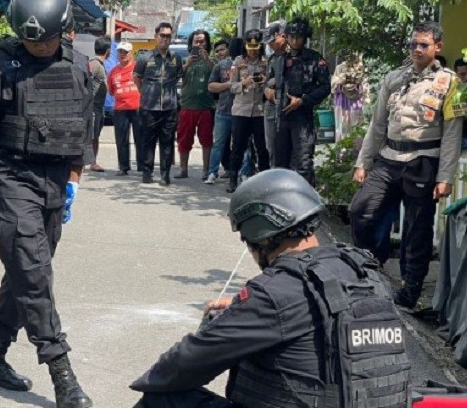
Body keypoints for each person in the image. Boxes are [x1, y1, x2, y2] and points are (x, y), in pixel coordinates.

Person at [131, 168, 411, 408]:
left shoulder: (274, 292)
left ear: (258, 233)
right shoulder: (364, 273)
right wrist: (246, 310)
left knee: (162, 399)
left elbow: (184, 365)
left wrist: (235, 316)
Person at [0, 0, 93, 408]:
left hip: (55, 179)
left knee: (25, 269)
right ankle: (61, 371)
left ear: (65, 29)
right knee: (34, 272)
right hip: (10, 176)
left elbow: (86, 125)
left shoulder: (82, 68)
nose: (39, 47)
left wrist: (73, 179)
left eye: (48, 39)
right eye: (31, 40)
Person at [351, 21, 464, 309]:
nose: (416, 49)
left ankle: (410, 290)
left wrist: (445, 177)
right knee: (361, 211)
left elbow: (452, 134)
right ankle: (369, 272)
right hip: (388, 159)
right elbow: (377, 124)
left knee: (417, 231)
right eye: (413, 43)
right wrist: (363, 162)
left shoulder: (451, 83)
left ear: (437, 47)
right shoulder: (394, 77)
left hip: (423, 161)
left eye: (423, 44)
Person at [264, 16, 330, 186]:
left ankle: (306, 202)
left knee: (303, 163)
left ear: (305, 37)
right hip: (280, 116)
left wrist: (303, 100)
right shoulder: (278, 59)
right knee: (279, 164)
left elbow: (325, 87)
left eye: (299, 37)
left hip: (302, 117)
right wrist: (269, 92)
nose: (295, 40)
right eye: (291, 36)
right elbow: (267, 82)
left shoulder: (315, 59)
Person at [134, 22, 184, 186]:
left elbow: (178, 77)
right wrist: (145, 93)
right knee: (148, 141)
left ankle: (165, 175)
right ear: (156, 37)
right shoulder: (144, 57)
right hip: (149, 106)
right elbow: (137, 78)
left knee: (167, 142)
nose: (165, 39)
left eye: (168, 36)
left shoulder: (176, 59)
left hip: (169, 108)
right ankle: (147, 173)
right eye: (162, 35)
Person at [226, 30, 270, 193]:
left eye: (255, 46)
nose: (253, 50)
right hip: (241, 111)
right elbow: (231, 87)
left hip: (259, 111)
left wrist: (265, 83)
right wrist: (243, 83)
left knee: (262, 148)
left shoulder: (266, 62)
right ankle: (232, 180)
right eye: (249, 46)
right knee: (237, 147)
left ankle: (265, 182)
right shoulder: (238, 62)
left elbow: (271, 85)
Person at [205, 38, 252, 185]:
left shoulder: (249, 65)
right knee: (218, 144)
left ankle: (244, 173)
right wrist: (229, 85)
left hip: (243, 111)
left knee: (244, 145)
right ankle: (212, 173)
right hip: (224, 111)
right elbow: (211, 86)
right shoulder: (222, 65)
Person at [175, 29, 215, 180]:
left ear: (207, 43)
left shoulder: (212, 61)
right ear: (191, 44)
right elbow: (177, 76)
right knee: (184, 140)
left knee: (206, 140)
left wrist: (207, 60)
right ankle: (183, 169)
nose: (199, 44)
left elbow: (217, 74)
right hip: (187, 106)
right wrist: (187, 65)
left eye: (202, 41)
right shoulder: (186, 61)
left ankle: (206, 170)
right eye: (196, 41)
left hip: (205, 107)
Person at [108, 41, 143, 176]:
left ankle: (142, 166)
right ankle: (123, 167)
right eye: (120, 52)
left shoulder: (138, 67)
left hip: (138, 107)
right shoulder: (113, 72)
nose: (122, 54)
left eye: (125, 52)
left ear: (131, 53)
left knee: (140, 138)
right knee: (121, 139)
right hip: (120, 109)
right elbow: (111, 91)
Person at [262, 20, 286, 165]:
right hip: (271, 108)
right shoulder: (272, 59)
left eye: (272, 41)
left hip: (289, 109)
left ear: (282, 36)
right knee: (271, 149)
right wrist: (267, 90)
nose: (270, 45)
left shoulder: (295, 57)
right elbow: (267, 80)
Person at [331, 52, 370, 141]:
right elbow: (333, 85)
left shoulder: (361, 67)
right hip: (342, 102)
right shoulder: (339, 67)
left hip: (356, 102)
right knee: (342, 127)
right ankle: (342, 153)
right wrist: (341, 80)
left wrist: (358, 86)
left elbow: (365, 87)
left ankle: (356, 153)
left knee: (357, 128)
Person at [89, 36, 111, 172]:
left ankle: (93, 162)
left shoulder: (100, 65)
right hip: (92, 108)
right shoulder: (95, 64)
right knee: (90, 136)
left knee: (95, 135)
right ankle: (89, 162)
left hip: (98, 107)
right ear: (108, 51)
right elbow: (85, 80)